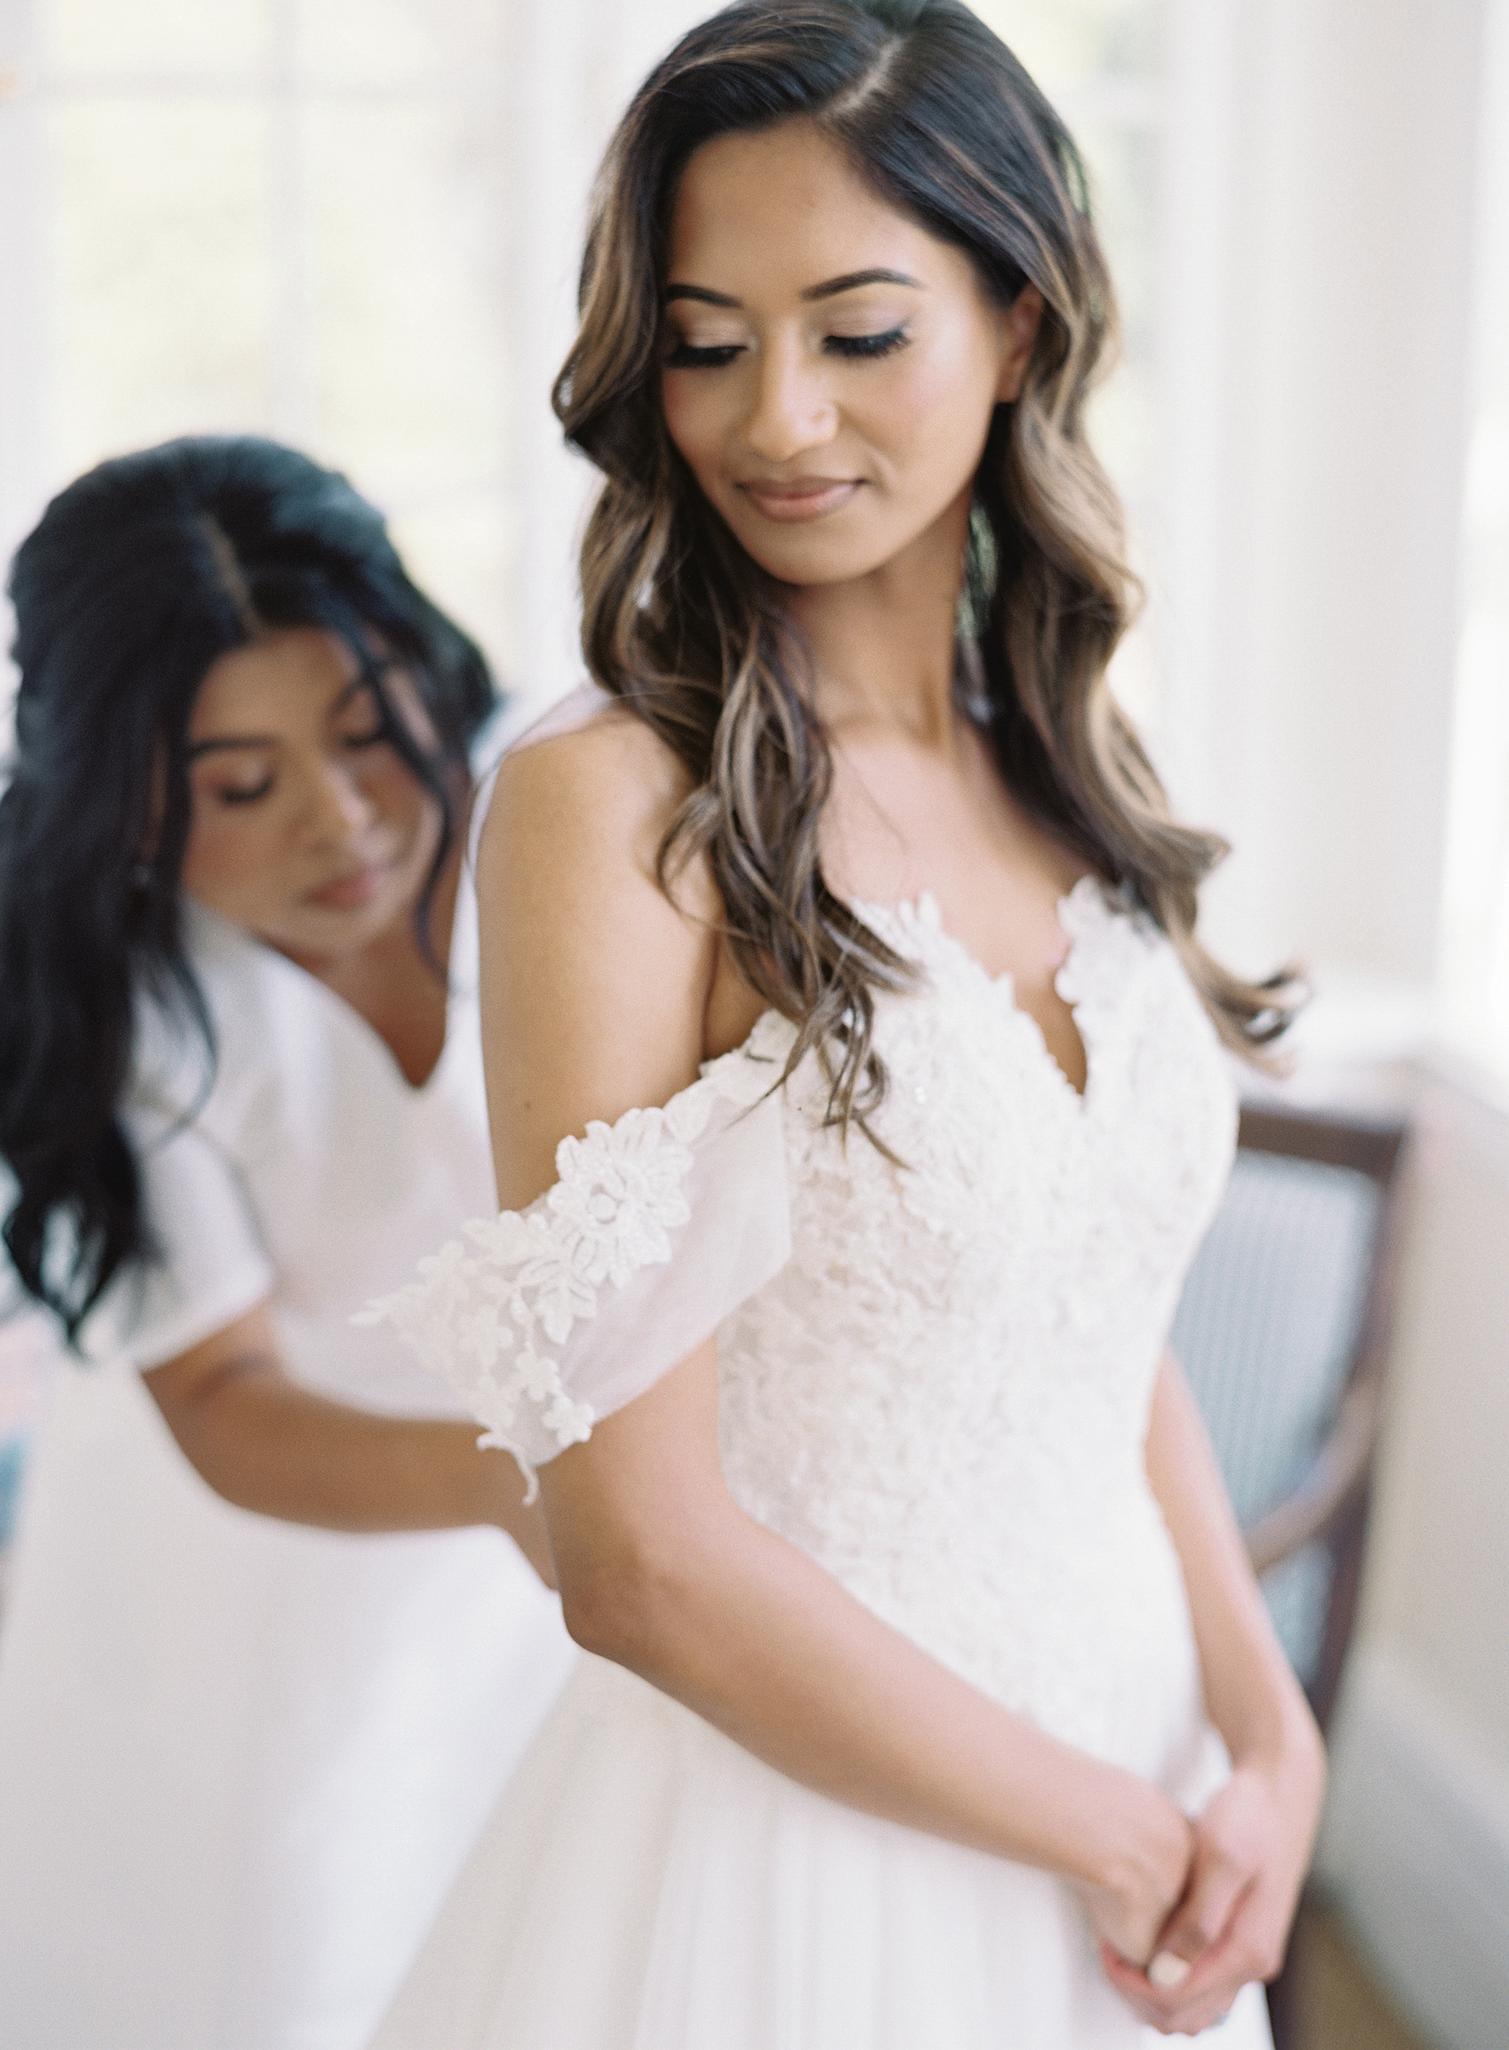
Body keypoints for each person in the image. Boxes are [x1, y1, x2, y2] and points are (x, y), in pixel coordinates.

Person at [362, 4, 1327, 2044]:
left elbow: (1082, 1307)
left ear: (1020, 314)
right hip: (801, 1867)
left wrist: (1264, 1725)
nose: (773, 417)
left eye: (855, 329)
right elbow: (625, 1555)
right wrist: (1110, 1832)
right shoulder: (615, 800)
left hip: (1133, 1795)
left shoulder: (1062, 761)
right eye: (705, 341)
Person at [0, 436, 575, 2050]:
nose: (343, 821)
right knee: (280, 1957)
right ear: (123, 809)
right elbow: (227, 1394)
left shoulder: (555, 818)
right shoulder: (142, 1003)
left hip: (544, 1531)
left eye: (368, 731)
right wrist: (503, 1483)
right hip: (243, 1560)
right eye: (241, 787)